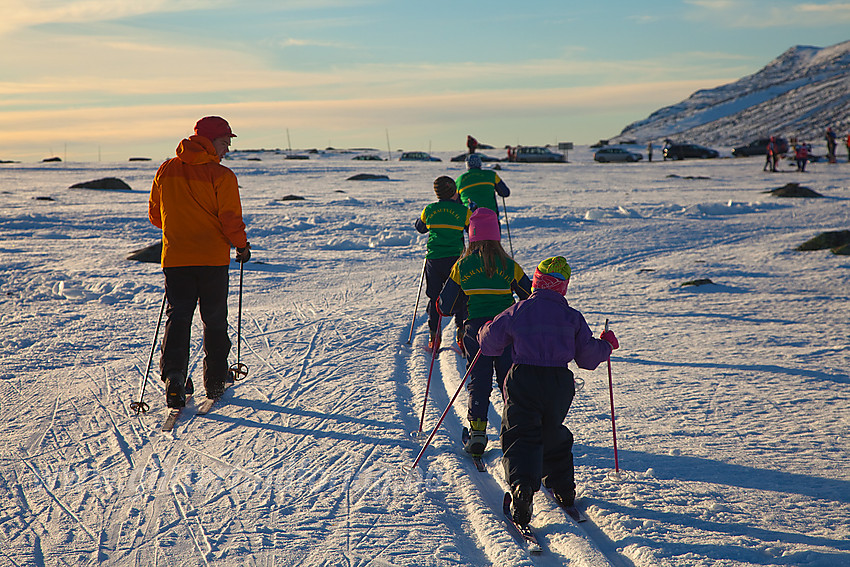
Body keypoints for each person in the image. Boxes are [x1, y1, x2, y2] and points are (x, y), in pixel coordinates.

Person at [478, 256, 618, 526]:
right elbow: (587, 358)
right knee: (552, 429)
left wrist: (484, 330)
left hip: (525, 378)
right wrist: (607, 345)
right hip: (558, 382)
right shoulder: (571, 317)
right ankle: (564, 489)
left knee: (521, 432)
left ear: (535, 281)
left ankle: (522, 488)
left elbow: (490, 343)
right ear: (563, 287)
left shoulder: (519, 310)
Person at [148, 116, 251, 408]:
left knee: (178, 317)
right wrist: (242, 246)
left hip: (177, 259)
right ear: (208, 141)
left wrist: (181, 225)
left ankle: (174, 379)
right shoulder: (221, 176)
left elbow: (156, 216)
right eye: (224, 143)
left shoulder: (166, 170)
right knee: (214, 319)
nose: (227, 150)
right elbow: (230, 220)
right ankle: (216, 379)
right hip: (211, 260)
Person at [438, 208, 532, 457]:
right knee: (508, 381)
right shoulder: (509, 266)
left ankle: (477, 431)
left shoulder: (462, 266)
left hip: (476, 330)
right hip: (506, 329)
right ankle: (518, 429)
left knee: (479, 380)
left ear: (472, 236)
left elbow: (445, 307)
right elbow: (530, 297)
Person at [415, 176, 471, 351]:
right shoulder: (463, 212)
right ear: (454, 191)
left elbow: (420, 227)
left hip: (434, 260)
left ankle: (434, 336)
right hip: (456, 260)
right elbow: (472, 229)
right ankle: (461, 334)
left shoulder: (430, 210)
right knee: (461, 296)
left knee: (434, 296)